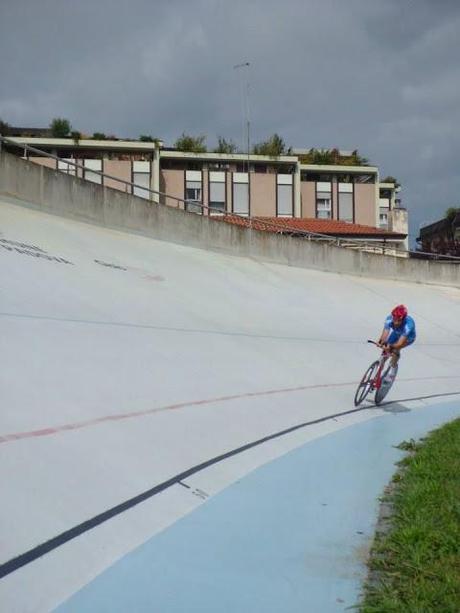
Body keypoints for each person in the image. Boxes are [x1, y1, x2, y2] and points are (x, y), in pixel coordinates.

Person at [377, 304, 416, 381]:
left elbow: (399, 343)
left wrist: (391, 347)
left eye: (399, 320)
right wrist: (381, 342)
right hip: (396, 333)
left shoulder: (408, 325)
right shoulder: (389, 319)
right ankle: (377, 374)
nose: (396, 323)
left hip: (408, 338)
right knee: (385, 351)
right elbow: (385, 334)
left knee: (395, 350)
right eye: (395, 320)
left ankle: (392, 371)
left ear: (403, 319)